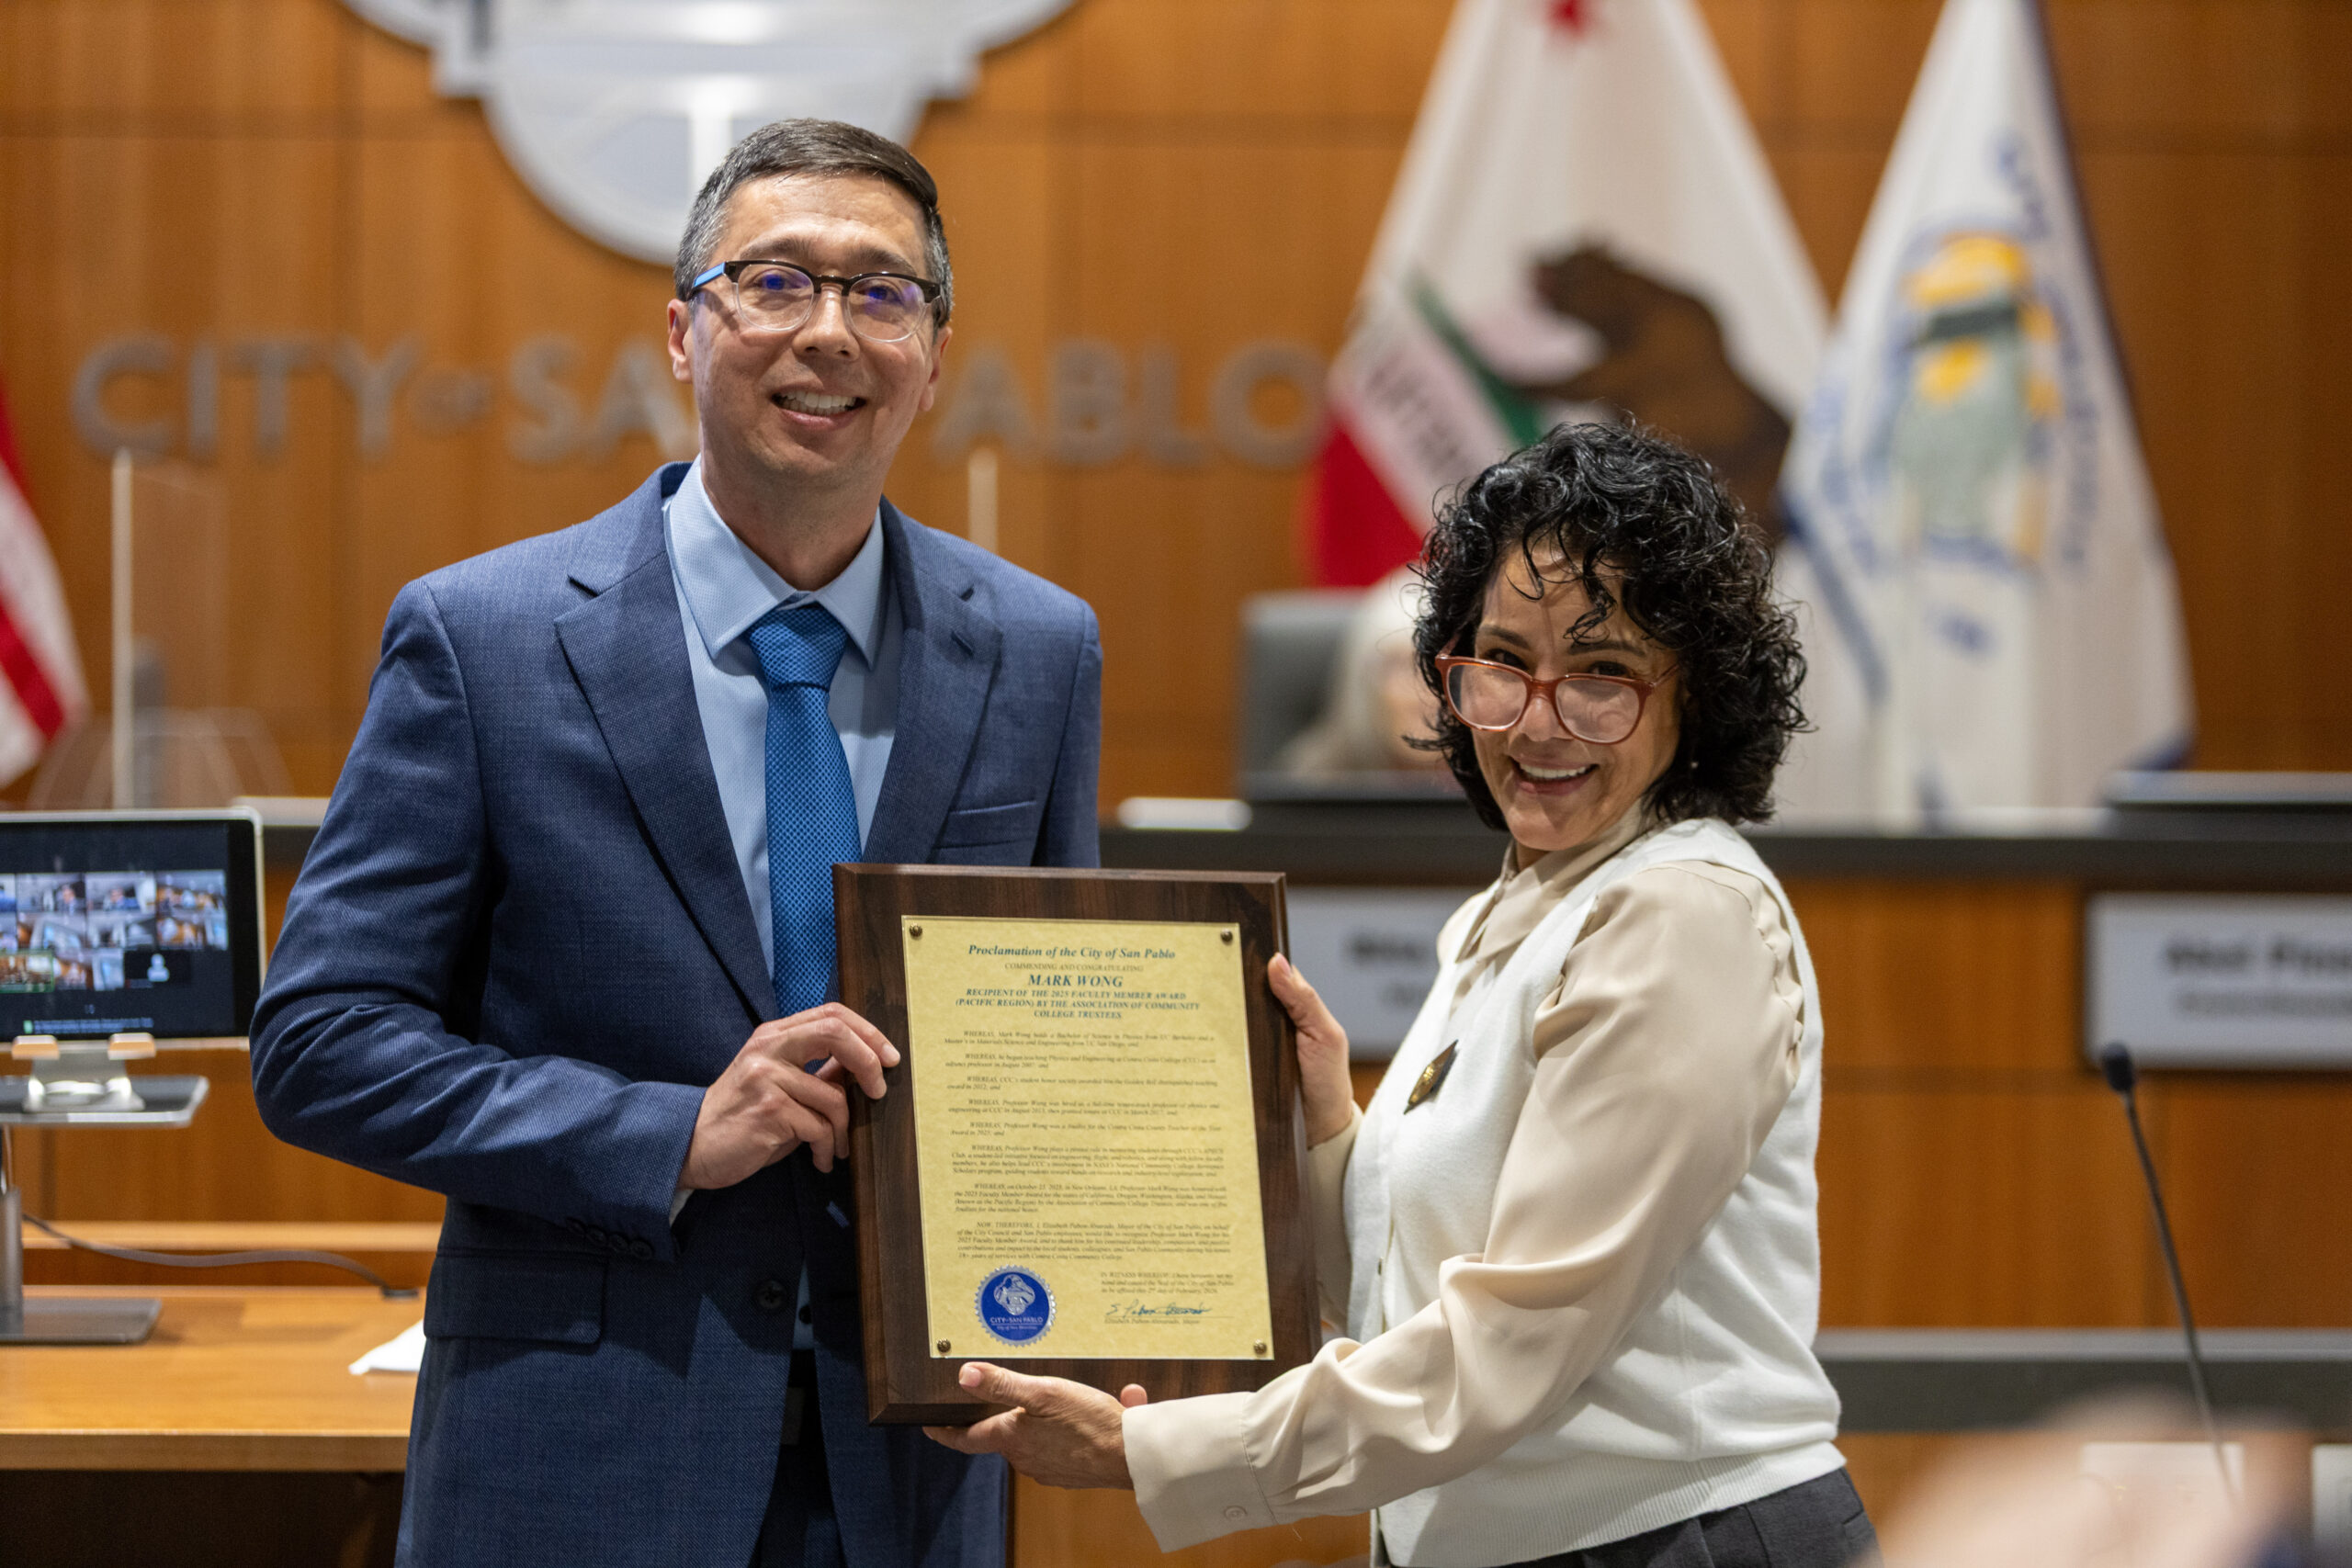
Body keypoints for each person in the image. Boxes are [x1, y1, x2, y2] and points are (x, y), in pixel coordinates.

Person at [251, 119, 1101, 1568]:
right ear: (682, 332)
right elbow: (321, 1040)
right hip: (576, 1453)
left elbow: (1059, 1037)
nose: (828, 333)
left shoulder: (1036, 646)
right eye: (774, 282)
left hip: (914, 1464)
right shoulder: (483, 639)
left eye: (882, 293)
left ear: (936, 357)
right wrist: (667, 1136)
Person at [931, 423, 1872, 1568]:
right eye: (1501, 662)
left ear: (1699, 694)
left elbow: (1507, 1349)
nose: (1536, 718)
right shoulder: (1521, 905)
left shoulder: (1680, 916)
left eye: (1602, 674)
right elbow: (1410, 1287)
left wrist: (1155, 1448)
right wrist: (1327, 1124)